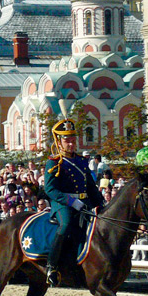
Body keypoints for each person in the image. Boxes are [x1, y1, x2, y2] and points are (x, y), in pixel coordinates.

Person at [43, 118, 104, 286]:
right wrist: (71, 202)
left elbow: (90, 187)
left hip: (84, 203)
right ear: (59, 141)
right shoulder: (54, 162)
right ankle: (52, 266)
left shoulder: (82, 161)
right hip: (63, 203)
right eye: (66, 140)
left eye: (72, 139)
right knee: (66, 224)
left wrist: (101, 203)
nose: (71, 143)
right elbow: (50, 189)